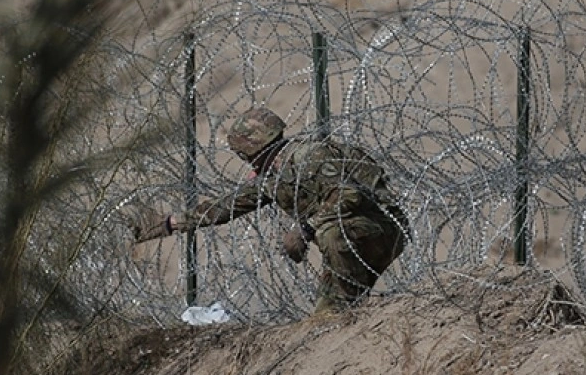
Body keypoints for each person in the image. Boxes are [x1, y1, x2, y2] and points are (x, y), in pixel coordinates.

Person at [134, 107, 408, 317]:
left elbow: (349, 195)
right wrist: (171, 223)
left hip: (381, 227)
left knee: (332, 236)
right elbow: (224, 207)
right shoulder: (271, 177)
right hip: (354, 236)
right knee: (324, 316)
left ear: (252, 148)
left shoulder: (309, 157)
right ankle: (346, 317)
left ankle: (350, 314)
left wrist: (306, 228)